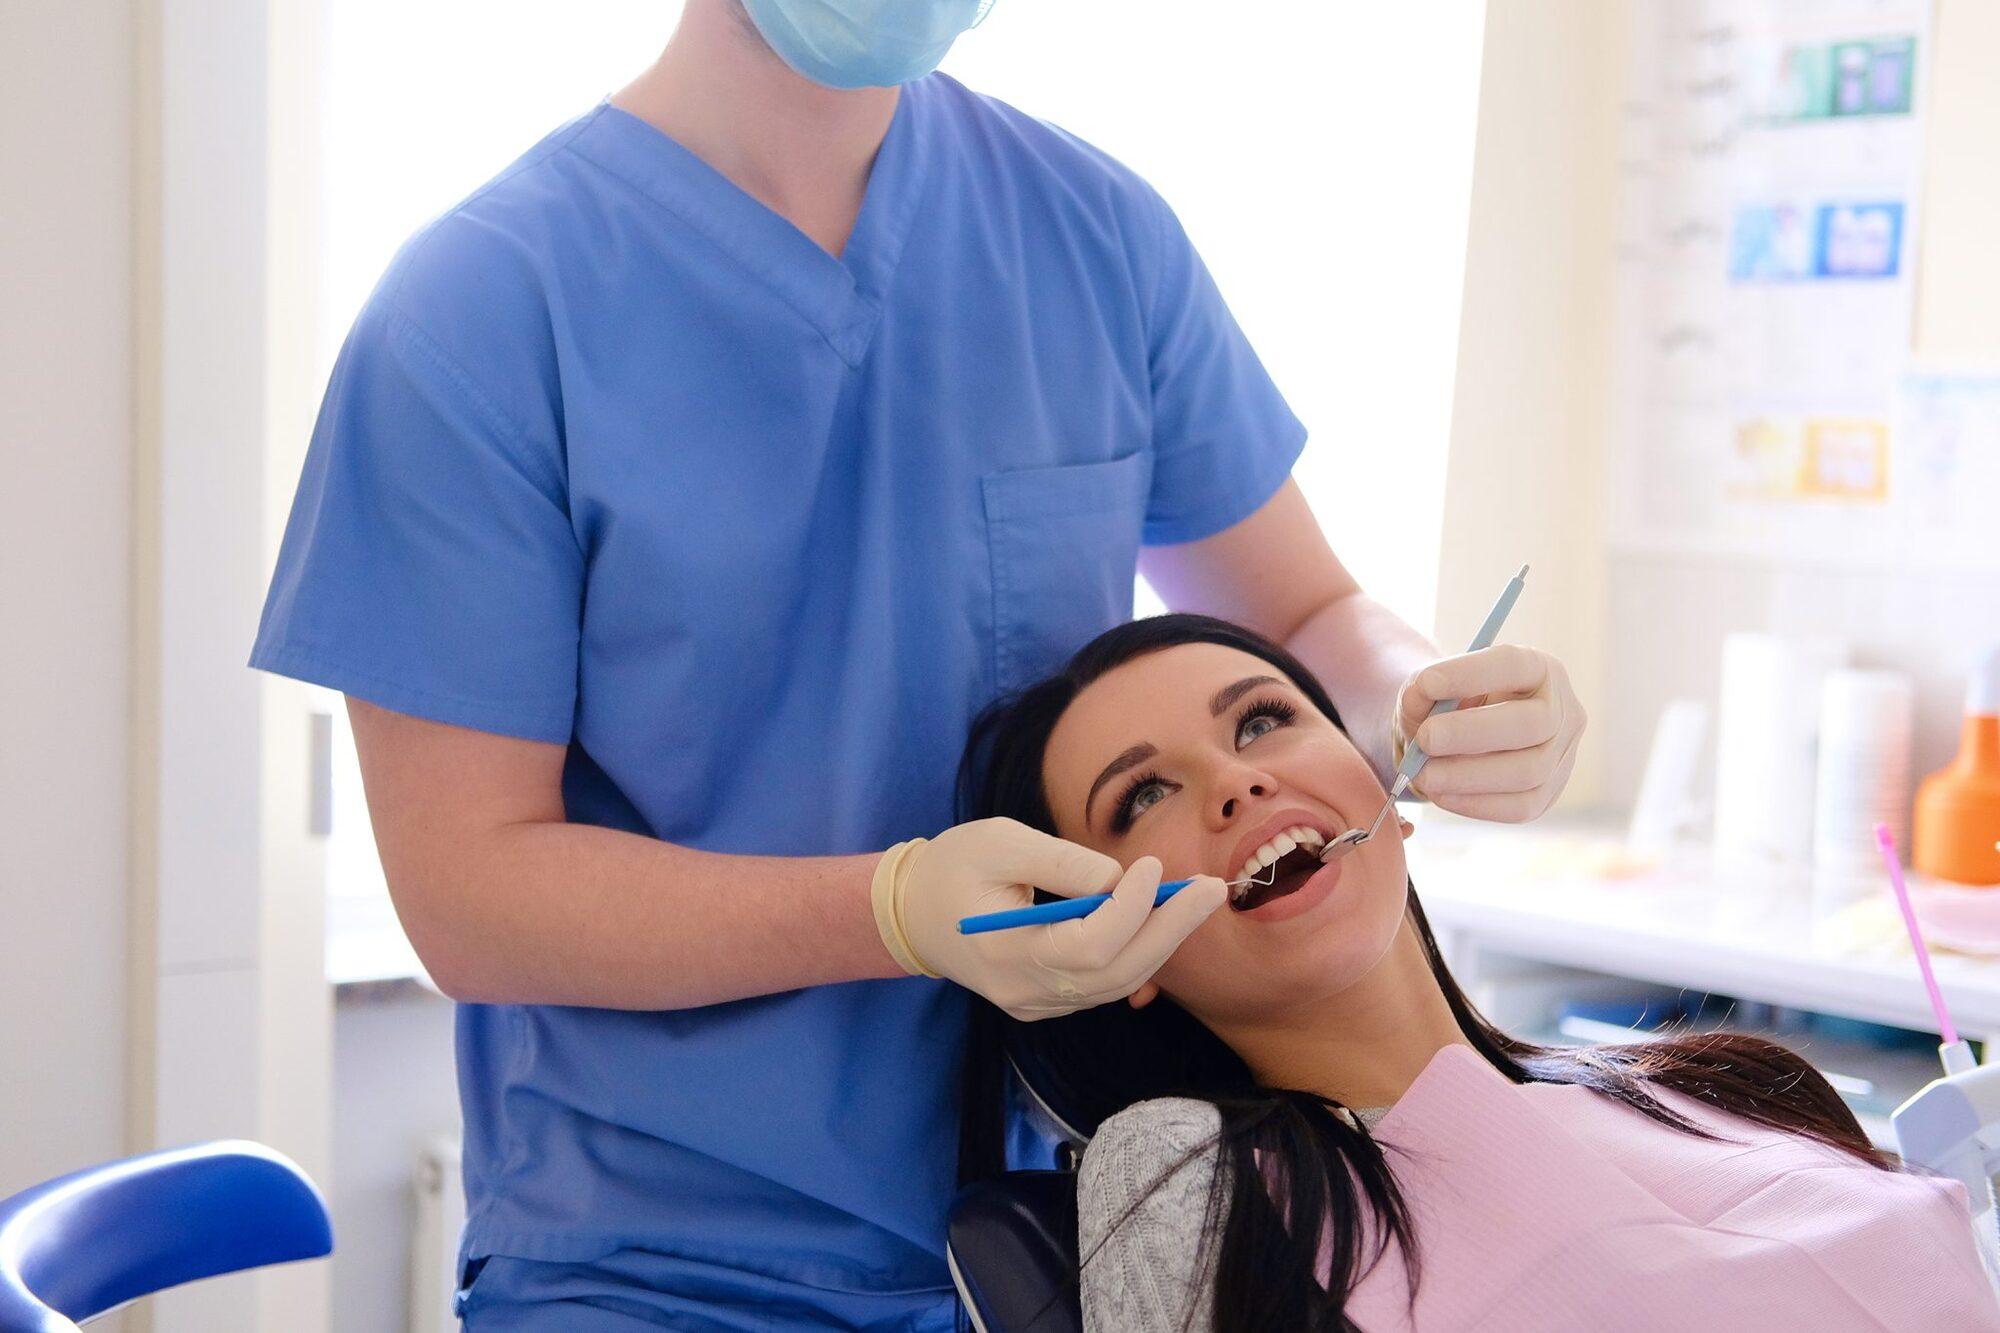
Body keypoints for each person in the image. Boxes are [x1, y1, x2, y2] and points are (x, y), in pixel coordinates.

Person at [251, 2, 1585, 1328]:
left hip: (1083, 1238)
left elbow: (1304, 615)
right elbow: (468, 895)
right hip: (665, 1269)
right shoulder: (476, 318)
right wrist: (889, 910)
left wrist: (1428, 691)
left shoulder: (1091, 236)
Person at [955, 613, 2000, 1333]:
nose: (1237, 779)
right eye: (1141, 796)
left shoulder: (1710, 1084)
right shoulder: (1189, 1169)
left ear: (1387, 781)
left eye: (1261, 720)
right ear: (1109, 951)